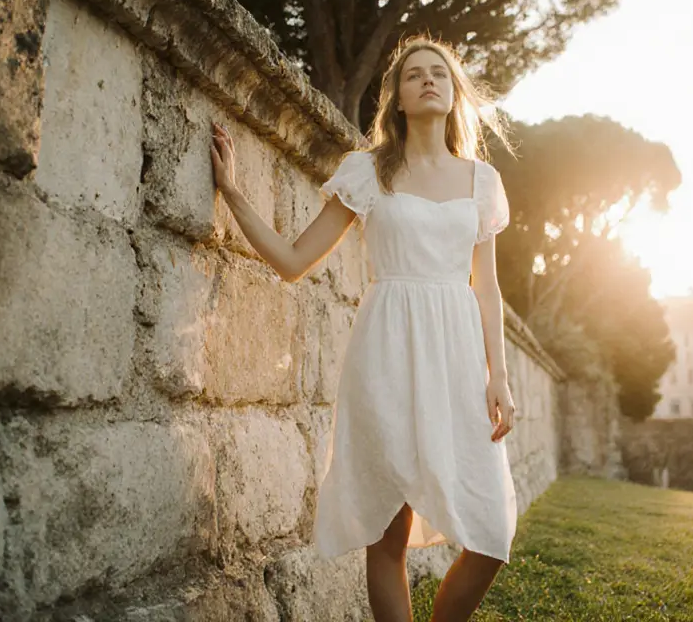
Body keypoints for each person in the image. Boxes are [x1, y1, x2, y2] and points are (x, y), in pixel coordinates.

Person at [209, 36, 518, 622]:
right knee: (388, 527)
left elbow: (489, 289)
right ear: (397, 100)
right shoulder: (369, 171)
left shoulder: (483, 182)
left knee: (491, 533)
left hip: (457, 359)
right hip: (386, 352)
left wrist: (497, 375)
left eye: (439, 74)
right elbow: (294, 261)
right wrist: (231, 192)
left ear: (455, 95)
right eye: (413, 76)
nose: (428, 81)